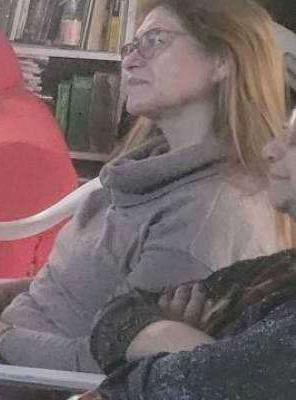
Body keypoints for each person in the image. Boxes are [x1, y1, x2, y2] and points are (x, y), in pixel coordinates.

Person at [0, 0, 289, 373]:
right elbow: (76, 291)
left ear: (222, 60)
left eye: (155, 41)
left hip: (3, 371)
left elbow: (106, 364)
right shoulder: (146, 169)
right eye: (131, 45)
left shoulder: (206, 218)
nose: (130, 59)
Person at [82, 111, 296, 400]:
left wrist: (195, 360)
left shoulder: (212, 215)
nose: (269, 150)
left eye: (295, 142)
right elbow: (117, 315)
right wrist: (195, 348)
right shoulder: (280, 270)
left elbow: (140, 388)